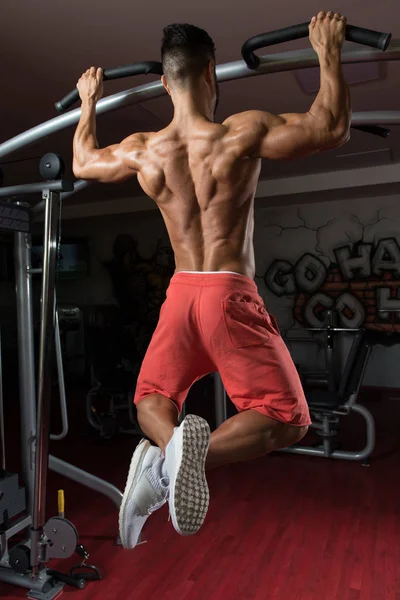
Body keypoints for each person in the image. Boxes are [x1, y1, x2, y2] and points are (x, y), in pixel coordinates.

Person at [73, 11, 351, 549]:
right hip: (227, 294)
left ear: (164, 82)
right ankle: (181, 460)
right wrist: (328, 50)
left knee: (152, 397)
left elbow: (83, 162)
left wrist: (88, 102)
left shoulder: (143, 148)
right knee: (286, 419)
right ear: (211, 76)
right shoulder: (239, 133)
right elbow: (330, 125)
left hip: (180, 295)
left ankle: (166, 459)